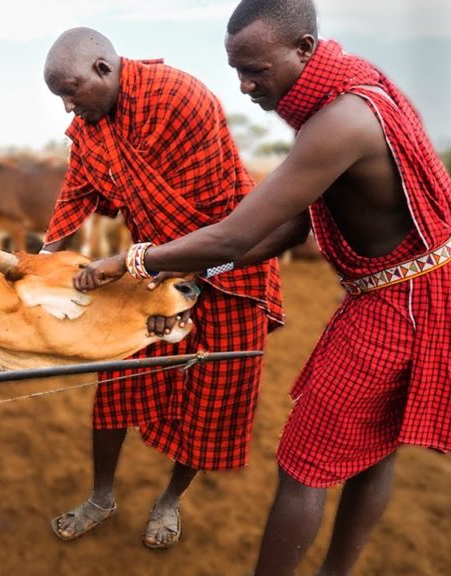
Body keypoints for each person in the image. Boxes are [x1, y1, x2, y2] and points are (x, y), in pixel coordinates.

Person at [75, 1, 451, 573]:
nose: (243, 86)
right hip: (424, 285)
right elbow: (293, 223)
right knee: (373, 452)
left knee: (304, 463)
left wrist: (135, 260)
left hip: (409, 299)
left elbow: (234, 234)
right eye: (236, 71)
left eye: (256, 71)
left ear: (305, 50)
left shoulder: (339, 122)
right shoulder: (348, 94)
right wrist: (205, 272)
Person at [41, 27, 284, 549]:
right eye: (59, 96)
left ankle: (171, 498)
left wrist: (126, 264)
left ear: (103, 70)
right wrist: (43, 258)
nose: (66, 106)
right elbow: (78, 188)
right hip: (146, 268)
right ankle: (101, 496)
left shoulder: (178, 98)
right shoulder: (93, 124)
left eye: (71, 91)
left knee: (211, 398)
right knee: (117, 382)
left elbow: (217, 219)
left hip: (229, 269)